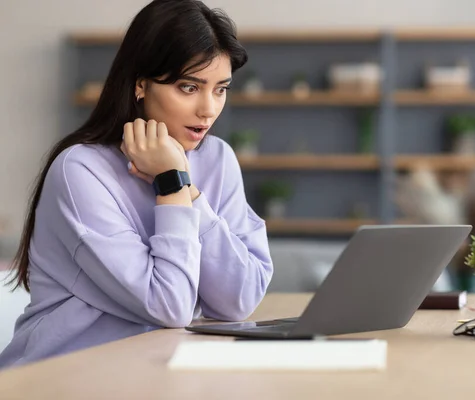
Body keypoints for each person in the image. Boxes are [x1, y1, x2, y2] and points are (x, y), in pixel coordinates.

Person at [0, 0, 273, 369]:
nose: (208, 109)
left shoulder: (217, 159)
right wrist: (173, 185)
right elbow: (170, 306)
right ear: (141, 85)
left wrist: (189, 191)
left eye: (220, 89)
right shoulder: (80, 170)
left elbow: (238, 301)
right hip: (57, 379)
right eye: (189, 87)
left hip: (151, 373)